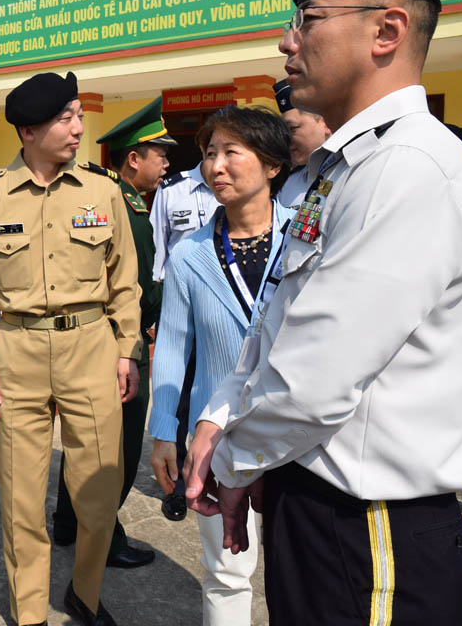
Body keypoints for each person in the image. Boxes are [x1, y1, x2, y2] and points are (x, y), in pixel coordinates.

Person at [185, 0, 462, 625]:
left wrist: (234, 462)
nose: (286, 43)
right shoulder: (345, 165)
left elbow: (313, 376)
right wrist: (221, 414)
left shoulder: (408, 167)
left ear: (385, 31)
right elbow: (279, 318)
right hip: (320, 507)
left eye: (307, 20)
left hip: (374, 527)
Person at [0, 71, 143, 626]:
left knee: (99, 492)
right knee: (20, 499)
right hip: (17, 352)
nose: (80, 128)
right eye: (68, 118)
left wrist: (126, 350)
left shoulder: (103, 190)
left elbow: (125, 282)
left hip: (92, 347)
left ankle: (84, 594)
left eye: (80, 116)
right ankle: (29, 610)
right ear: (30, 130)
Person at [148, 105, 291, 625]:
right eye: (209, 153)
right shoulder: (189, 255)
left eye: (232, 151)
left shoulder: (307, 240)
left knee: (298, 568)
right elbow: (172, 346)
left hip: (299, 433)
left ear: (272, 165)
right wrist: (165, 431)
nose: (215, 166)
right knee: (228, 571)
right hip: (218, 437)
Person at [52, 96, 172, 569]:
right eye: (159, 153)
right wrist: (177, 301)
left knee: (88, 442)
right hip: (121, 345)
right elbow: (136, 290)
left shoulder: (112, 199)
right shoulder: (124, 206)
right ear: (133, 159)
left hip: (95, 340)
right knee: (114, 453)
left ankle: (67, 523)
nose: (167, 163)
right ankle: (104, 536)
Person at [147, 148, 217, 522]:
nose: (218, 160)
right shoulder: (173, 190)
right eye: (211, 150)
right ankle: (175, 485)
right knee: (177, 396)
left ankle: (213, 474)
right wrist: (158, 307)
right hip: (182, 309)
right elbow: (159, 249)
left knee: (217, 394)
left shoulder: (236, 185)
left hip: (221, 308)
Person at [273, 79, 331, 209]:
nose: (286, 138)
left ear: (326, 122)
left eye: (292, 129)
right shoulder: (287, 184)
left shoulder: (350, 172)